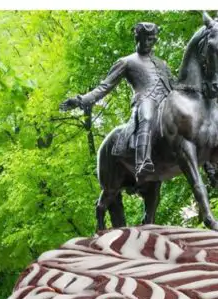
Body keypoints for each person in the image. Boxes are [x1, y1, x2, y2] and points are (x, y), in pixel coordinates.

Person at [61, 21, 174, 182]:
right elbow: (104, 87)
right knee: (147, 117)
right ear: (138, 38)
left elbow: (174, 85)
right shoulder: (126, 62)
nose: (149, 43)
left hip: (167, 101)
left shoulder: (162, 64)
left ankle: (207, 160)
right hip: (146, 100)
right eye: (145, 39)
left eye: (152, 39)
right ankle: (142, 162)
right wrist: (81, 100)